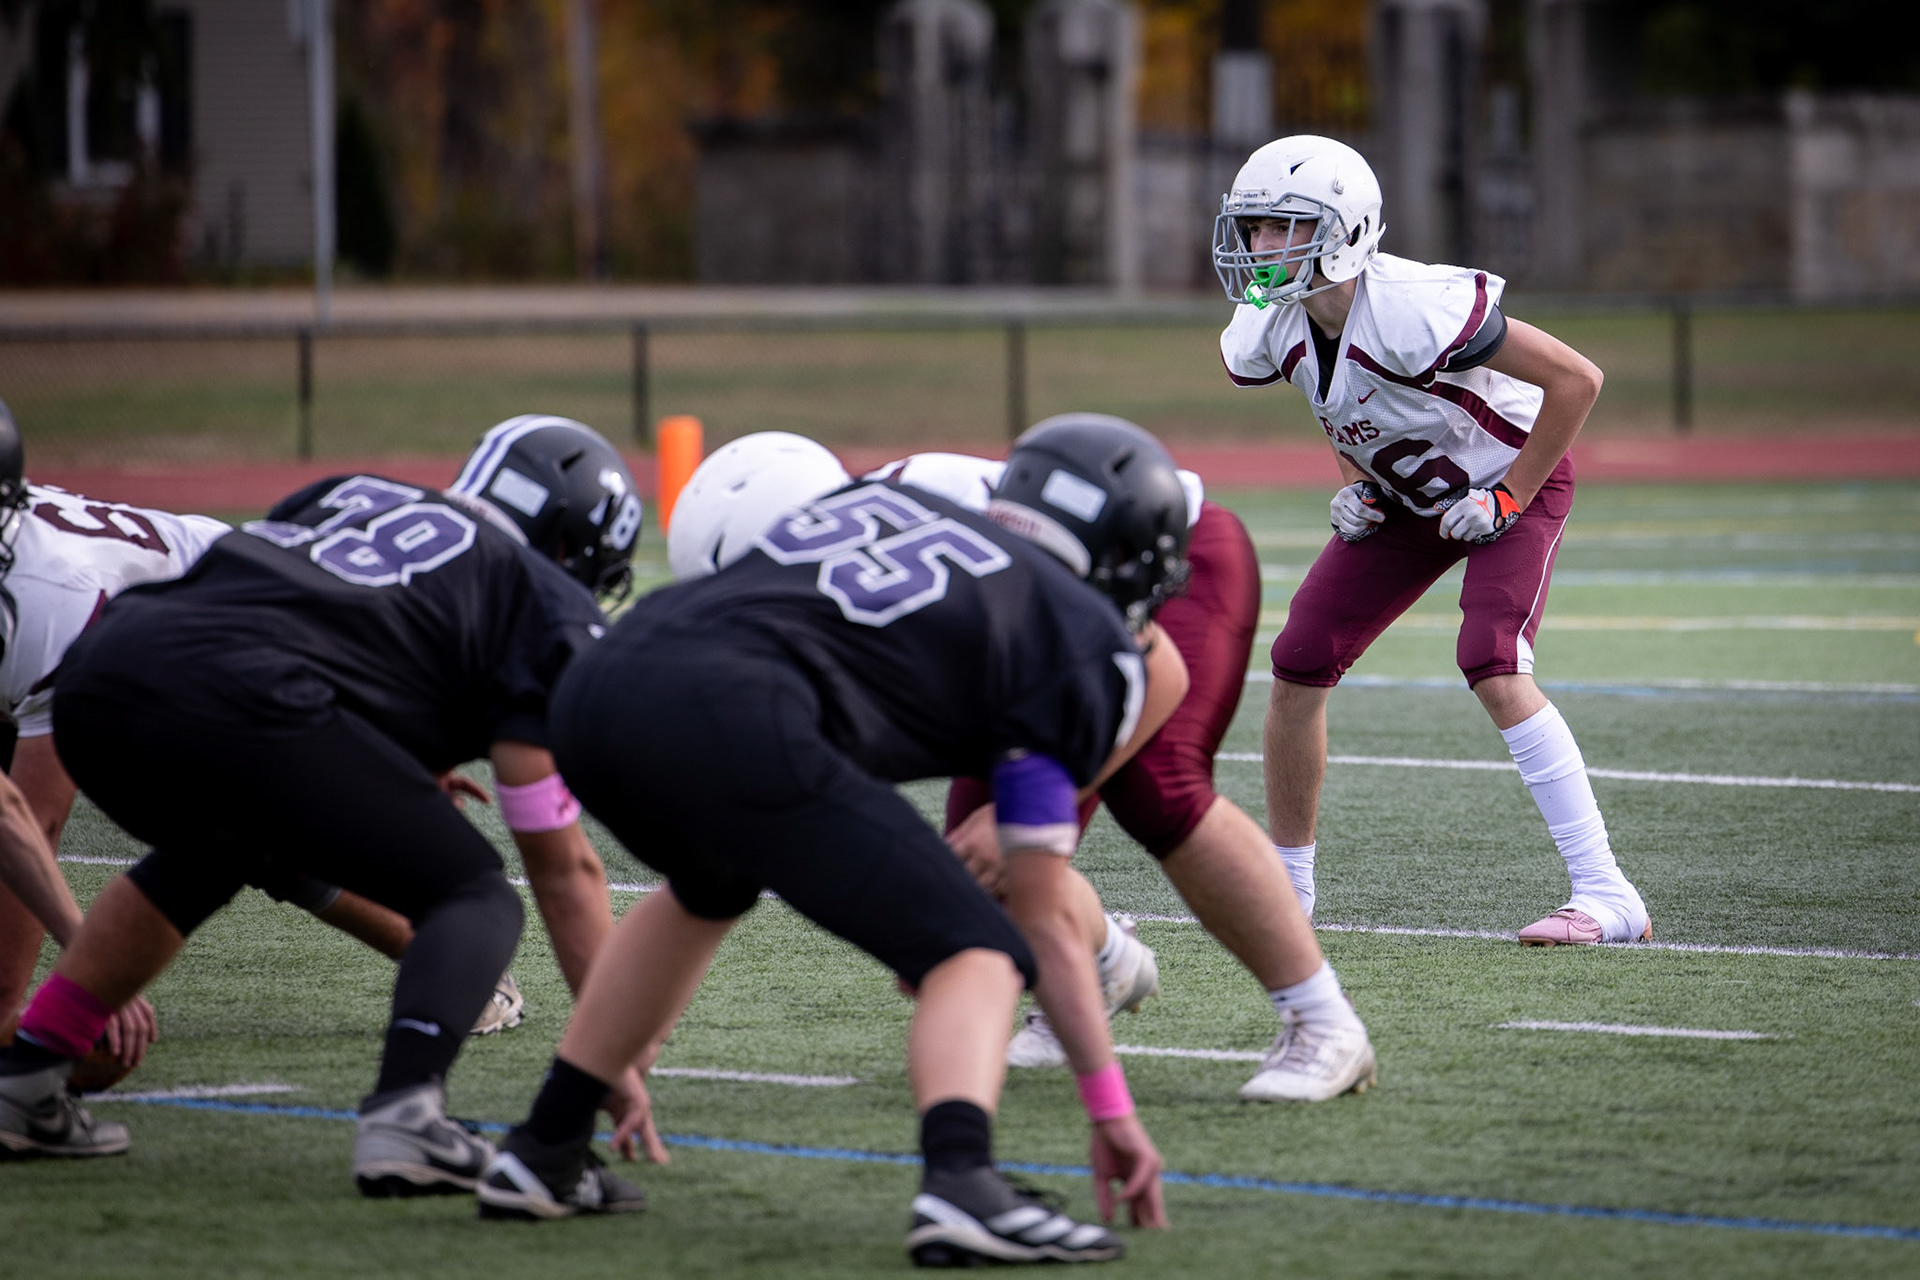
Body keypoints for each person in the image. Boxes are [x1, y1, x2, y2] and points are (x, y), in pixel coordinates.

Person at [478, 419, 1193, 1266]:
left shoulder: (897, 499)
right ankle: (962, 1183)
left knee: (713, 884)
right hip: (737, 711)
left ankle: (544, 1146)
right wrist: (1111, 1112)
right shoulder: (1084, 640)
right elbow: (1040, 917)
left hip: (601, 684)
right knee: (978, 948)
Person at [0, 416, 644, 1194]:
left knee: (227, 840)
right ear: (571, 545)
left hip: (99, 679)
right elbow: (564, 864)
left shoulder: (352, 491)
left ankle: (29, 1075)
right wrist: (609, 1057)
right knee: (472, 889)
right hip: (242, 700)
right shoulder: (543, 599)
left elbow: (318, 618)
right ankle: (408, 1117)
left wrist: (380, 763)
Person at [1213, 135, 1651, 946]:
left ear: (1343, 229)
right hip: (1407, 500)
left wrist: (1509, 494)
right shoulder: (1272, 325)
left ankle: (1608, 892)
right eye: (1256, 230)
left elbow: (1576, 379)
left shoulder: (1414, 305)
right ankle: (1291, 889)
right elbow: (1340, 403)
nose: (1262, 249)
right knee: (1299, 658)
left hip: (1511, 482)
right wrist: (1352, 484)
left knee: (1491, 657)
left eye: (1283, 228)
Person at [872, 436, 1376, 1103]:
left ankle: (1325, 1023)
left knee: (1158, 786)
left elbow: (1149, 672)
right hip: (1056, 609)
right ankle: (1102, 961)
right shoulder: (852, 552)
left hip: (1168, 562)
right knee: (979, 863)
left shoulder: (915, 538)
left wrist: (1030, 807)